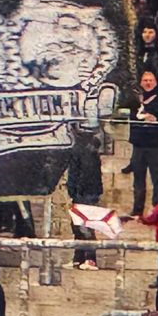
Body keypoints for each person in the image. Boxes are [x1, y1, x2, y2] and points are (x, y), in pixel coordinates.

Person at [127, 71, 158, 219]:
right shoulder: (135, 99)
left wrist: (156, 119)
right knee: (138, 179)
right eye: (145, 80)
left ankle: (157, 209)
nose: (148, 83)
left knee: (157, 179)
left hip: (155, 145)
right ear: (141, 82)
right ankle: (137, 210)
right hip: (139, 145)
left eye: (150, 80)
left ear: (155, 82)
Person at [66, 115, 104, 269]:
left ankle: (90, 259)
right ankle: (78, 258)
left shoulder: (84, 148)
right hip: (84, 192)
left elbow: (84, 174)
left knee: (85, 226)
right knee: (77, 225)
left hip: (85, 193)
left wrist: (76, 192)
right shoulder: (85, 147)